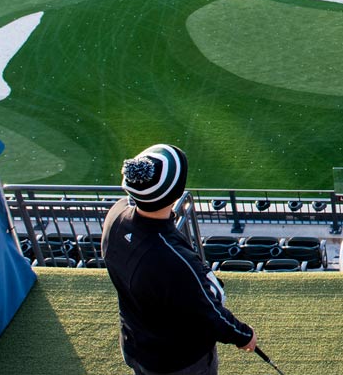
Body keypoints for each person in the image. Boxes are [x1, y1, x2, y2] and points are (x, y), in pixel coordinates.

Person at [102, 144, 257, 375]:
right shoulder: (173, 259)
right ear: (175, 194)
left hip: (136, 345)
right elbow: (209, 313)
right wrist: (244, 335)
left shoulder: (115, 215)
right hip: (178, 361)